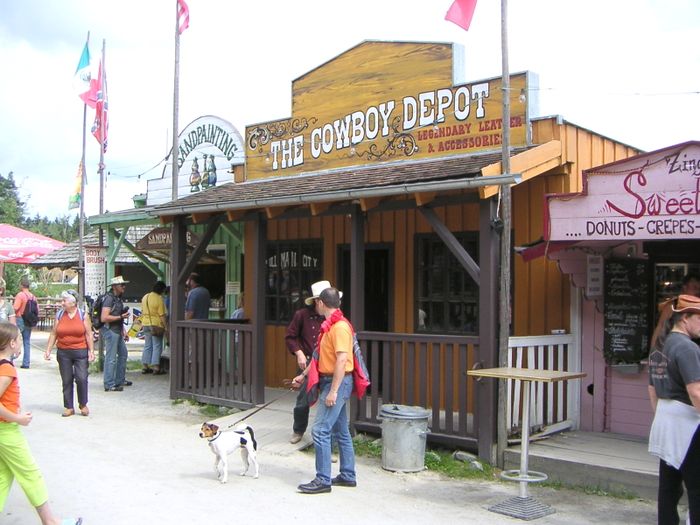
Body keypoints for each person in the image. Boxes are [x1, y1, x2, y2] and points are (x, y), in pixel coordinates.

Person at [0, 322, 82, 524]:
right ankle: (50, 522)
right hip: (6, 431)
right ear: (12, 343)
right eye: (19, 339)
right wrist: (18, 418)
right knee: (30, 474)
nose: (21, 342)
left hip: (5, 429)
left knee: (4, 476)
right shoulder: (7, 369)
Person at [294, 286, 356, 494]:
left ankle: (322, 480)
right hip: (333, 380)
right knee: (341, 430)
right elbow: (319, 355)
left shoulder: (339, 327)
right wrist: (302, 376)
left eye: (316, 302)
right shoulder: (331, 325)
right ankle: (348, 475)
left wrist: (333, 391)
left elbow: (342, 360)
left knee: (320, 430)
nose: (314, 306)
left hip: (336, 382)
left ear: (321, 303)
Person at [648, 294, 700, 525]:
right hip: (686, 423)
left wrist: (660, 416)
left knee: (668, 486)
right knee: (696, 484)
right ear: (686, 318)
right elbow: (696, 391)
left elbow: (651, 389)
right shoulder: (687, 348)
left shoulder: (661, 344)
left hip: (664, 418)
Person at [43, 290, 95, 417]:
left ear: (73, 303)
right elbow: (54, 333)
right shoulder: (60, 315)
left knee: (81, 378)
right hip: (63, 352)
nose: (62, 303)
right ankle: (68, 407)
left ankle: (83, 404)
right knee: (66, 379)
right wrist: (48, 350)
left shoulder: (83, 315)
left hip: (80, 351)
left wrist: (91, 351)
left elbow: (88, 334)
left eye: (64, 301)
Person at [285, 282, 325, 444]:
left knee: (329, 399)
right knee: (303, 399)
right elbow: (290, 336)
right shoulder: (301, 315)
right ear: (317, 301)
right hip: (307, 362)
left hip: (327, 363)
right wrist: (299, 353)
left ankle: (325, 437)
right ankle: (298, 430)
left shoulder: (333, 317)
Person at [651, 273, 700, 351]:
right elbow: (660, 328)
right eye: (694, 288)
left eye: (699, 288)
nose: (698, 291)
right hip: (676, 348)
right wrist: (653, 352)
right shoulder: (673, 305)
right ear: (685, 287)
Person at [100, 276, 132, 392]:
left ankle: (119, 380)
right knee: (111, 358)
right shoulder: (109, 299)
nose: (124, 287)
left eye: (124, 285)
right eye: (121, 285)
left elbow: (118, 317)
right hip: (110, 330)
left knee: (123, 354)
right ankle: (109, 384)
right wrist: (120, 317)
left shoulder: (117, 298)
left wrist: (123, 330)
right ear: (114, 287)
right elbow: (104, 317)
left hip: (117, 330)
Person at [140, 281, 167, 375]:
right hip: (156, 325)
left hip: (145, 323)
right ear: (162, 290)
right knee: (157, 346)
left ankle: (145, 366)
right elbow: (162, 315)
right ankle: (156, 367)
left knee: (147, 345)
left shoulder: (145, 296)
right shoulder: (159, 299)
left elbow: (142, 310)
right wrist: (166, 326)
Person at [13, 277, 36, 369]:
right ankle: (26, 362)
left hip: (20, 318)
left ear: (21, 285)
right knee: (27, 341)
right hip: (29, 320)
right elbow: (36, 310)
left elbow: (15, 307)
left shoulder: (20, 295)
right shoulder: (33, 296)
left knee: (14, 339)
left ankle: (10, 359)